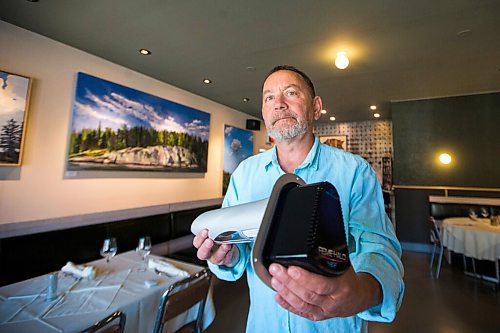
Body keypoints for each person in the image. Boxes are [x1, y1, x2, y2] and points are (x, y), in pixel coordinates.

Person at [193, 65, 404, 332]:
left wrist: (360, 293)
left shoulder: (354, 171)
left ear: (316, 107)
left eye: (291, 93)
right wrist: (226, 255)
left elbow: (380, 250)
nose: (279, 104)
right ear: (264, 113)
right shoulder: (244, 174)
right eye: (269, 97)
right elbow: (238, 253)